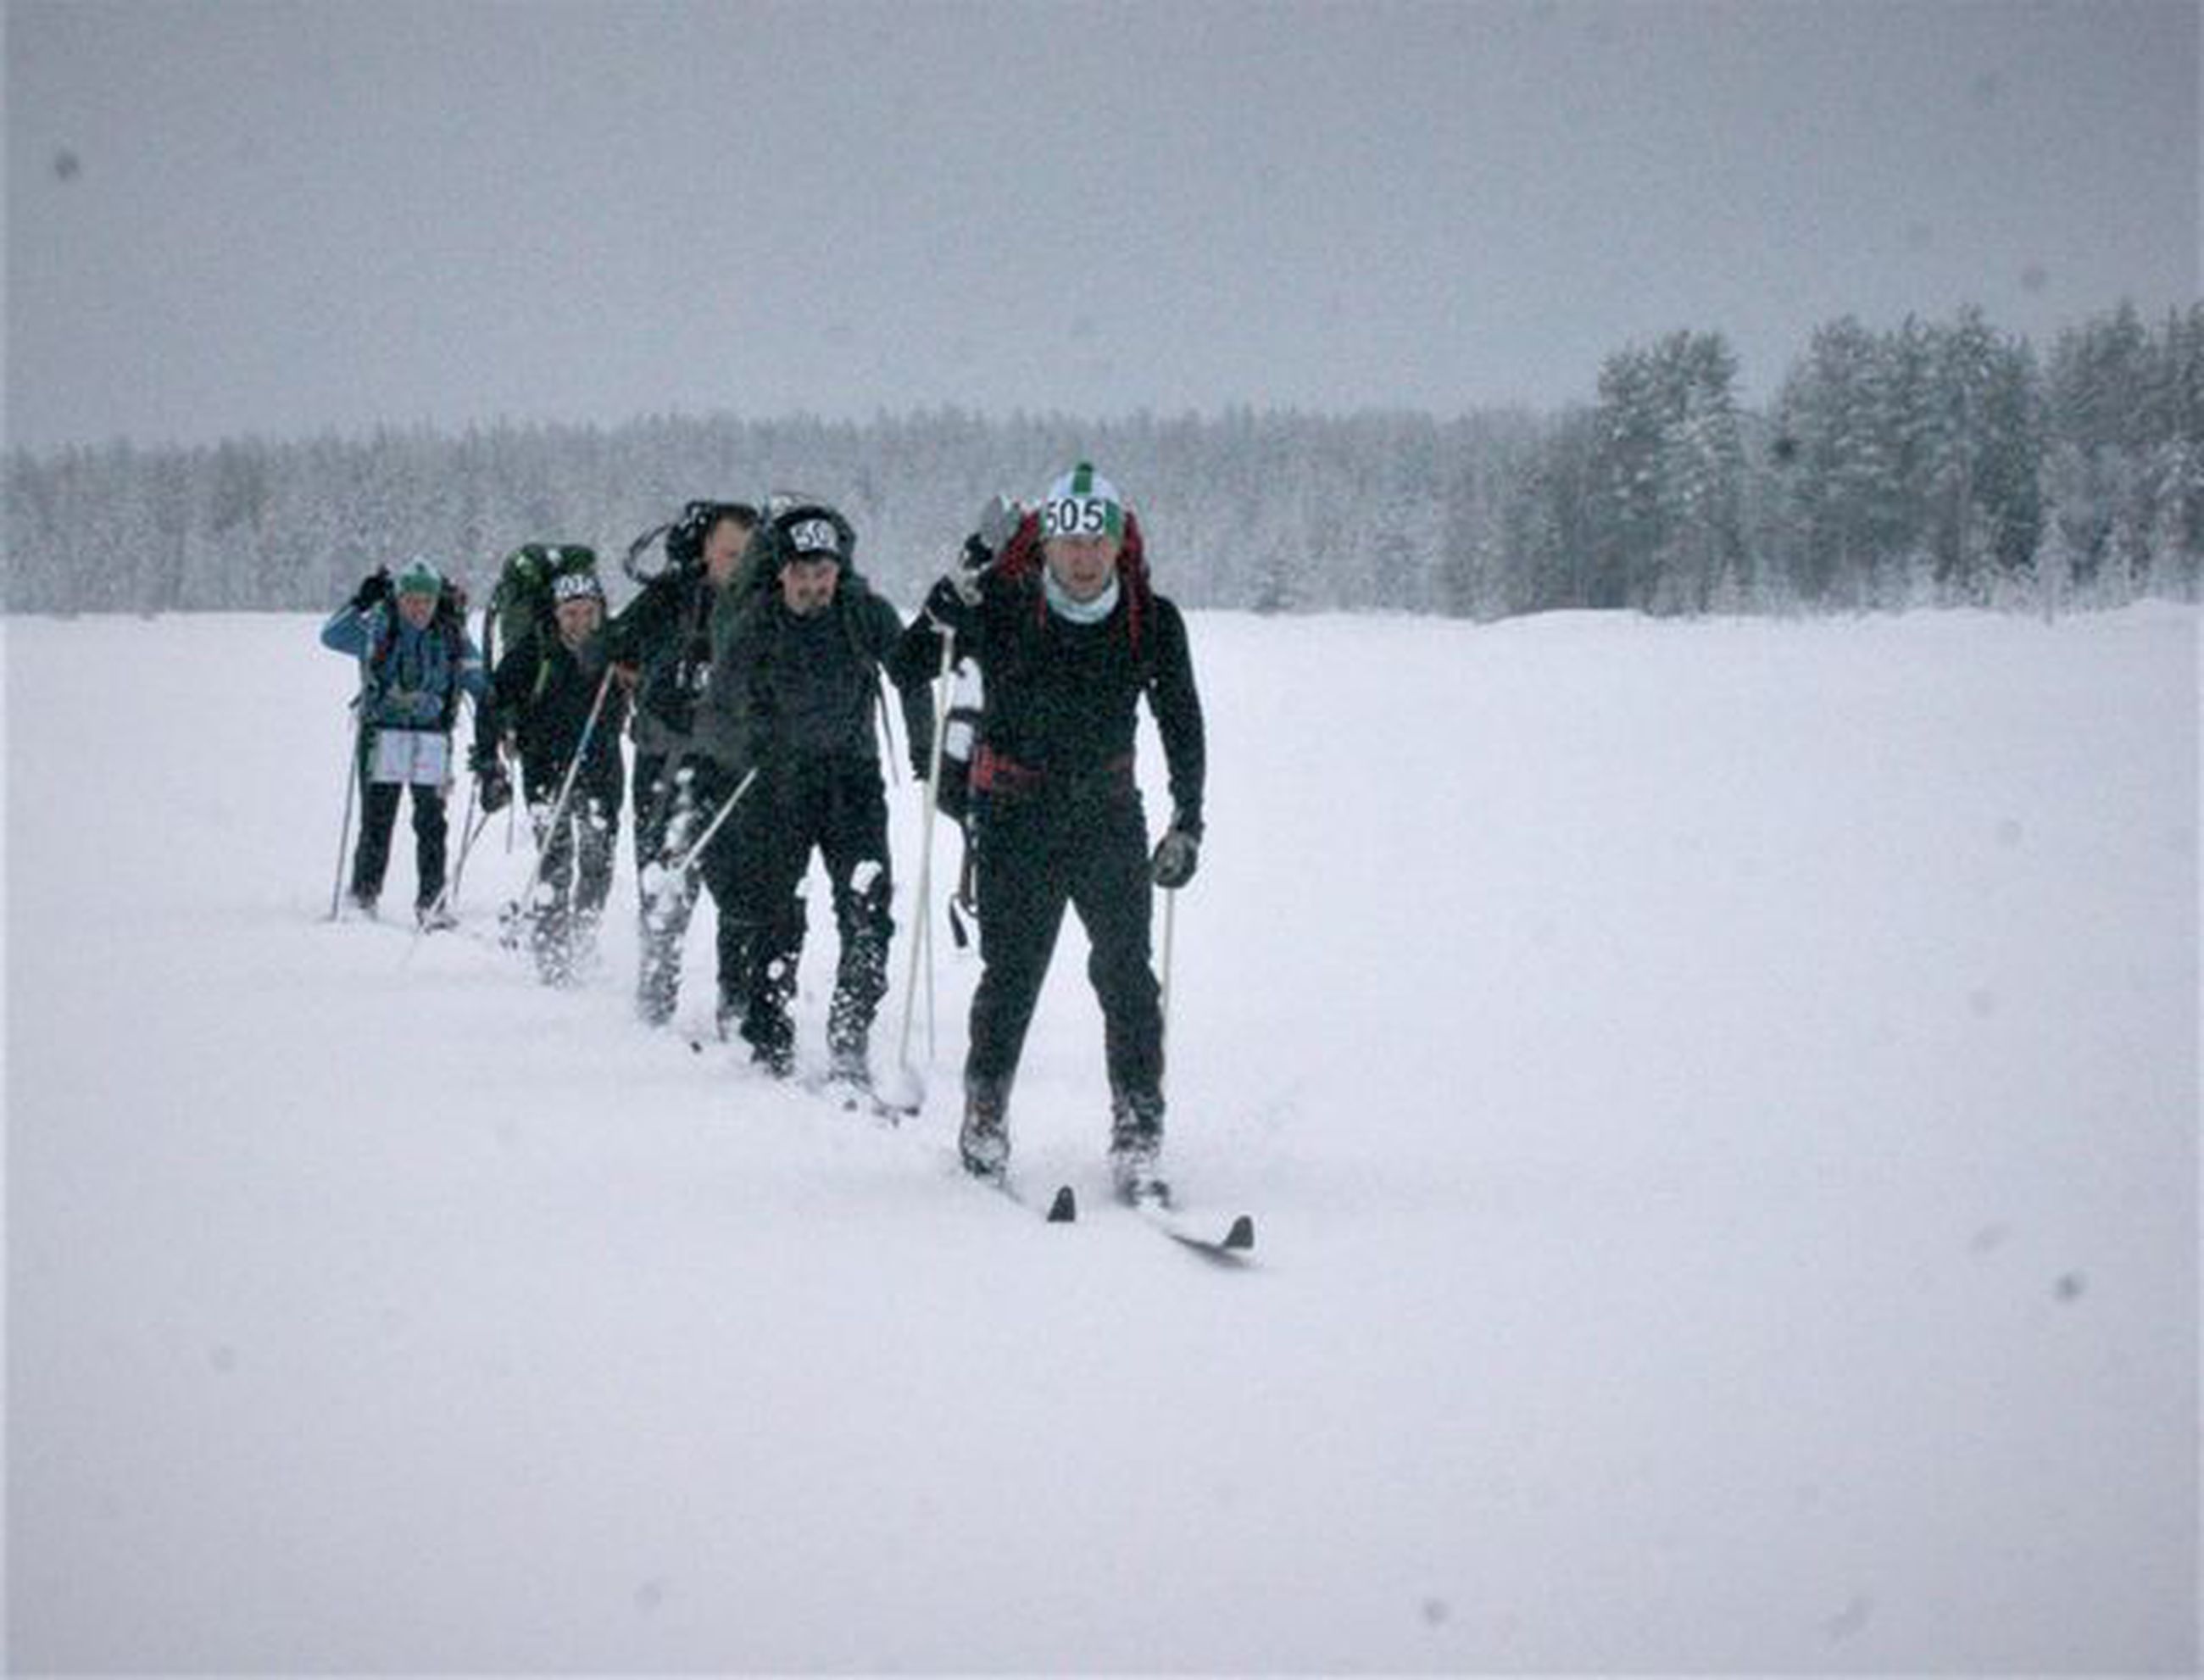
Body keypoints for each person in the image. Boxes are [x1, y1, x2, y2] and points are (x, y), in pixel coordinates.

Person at [899, 465, 1206, 1204]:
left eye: (1096, 540)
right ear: (1044, 545)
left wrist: (1187, 819)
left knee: (1128, 978)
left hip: (1107, 816)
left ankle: (1138, 1132)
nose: (1082, 555)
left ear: (1118, 544)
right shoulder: (1003, 605)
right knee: (1012, 976)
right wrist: (947, 600)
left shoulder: (1151, 619)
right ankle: (985, 1116)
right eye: (1069, 539)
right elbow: (907, 664)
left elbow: (1183, 724)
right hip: (1015, 816)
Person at [694, 500, 933, 1082]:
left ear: (838, 569)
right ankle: (769, 1036)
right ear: (780, 572)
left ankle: (851, 1034)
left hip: (852, 781)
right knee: (777, 916)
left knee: (867, 910)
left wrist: (925, 745)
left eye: (822, 574)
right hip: (777, 784)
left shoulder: (862, 611)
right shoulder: (757, 620)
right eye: (801, 574)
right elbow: (722, 701)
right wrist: (730, 761)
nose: (811, 587)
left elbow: (910, 671)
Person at [606, 503, 760, 1025]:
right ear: (705, 551)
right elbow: (612, 646)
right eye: (728, 553)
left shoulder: (765, 604)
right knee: (665, 883)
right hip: (667, 759)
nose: (737, 564)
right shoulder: (671, 597)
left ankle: (735, 1003)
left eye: (747, 554)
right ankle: (656, 995)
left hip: (735, 765)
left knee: (741, 887)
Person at [320, 555, 489, 927]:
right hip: (382, 734)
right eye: (411, 600)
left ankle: (432, 902)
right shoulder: (379, 627)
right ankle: (363, 896)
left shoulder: (450, 634)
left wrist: (498, 720)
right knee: (377, 818)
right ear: (398, 599)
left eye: (425, 601)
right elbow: (331, 635)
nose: (418, 608)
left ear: (435, 602)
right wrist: (360, 602)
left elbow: (479, 682)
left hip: (431, 736)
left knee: (432, 822)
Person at [480, 565, 628, 985]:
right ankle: (551, 949)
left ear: (600, 612)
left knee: (598, 860)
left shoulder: (615, 648)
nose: (580, 623)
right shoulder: (534, 650)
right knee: (556, 859)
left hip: (601, 768)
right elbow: (496, 697)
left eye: (588, 613)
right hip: (546, 769)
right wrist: (498, 745)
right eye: (571, 614)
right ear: (557, 615)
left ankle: (583, 939)